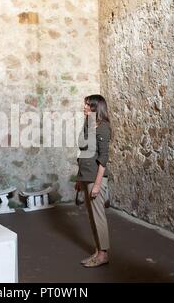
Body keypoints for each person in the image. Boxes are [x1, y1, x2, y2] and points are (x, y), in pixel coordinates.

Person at [75, 94, 111, 268]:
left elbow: (103, 158)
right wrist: (79, 178)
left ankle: (103, 254)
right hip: (86, 176)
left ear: (96, 108)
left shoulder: (103, 127)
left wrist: (97, 184)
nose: (84, 108)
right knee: (92, 218)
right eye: (85, 105)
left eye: (87, 105)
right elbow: (83, 153)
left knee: (99, 218)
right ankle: (97, 252)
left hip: (96, 179)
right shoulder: (88, 125)